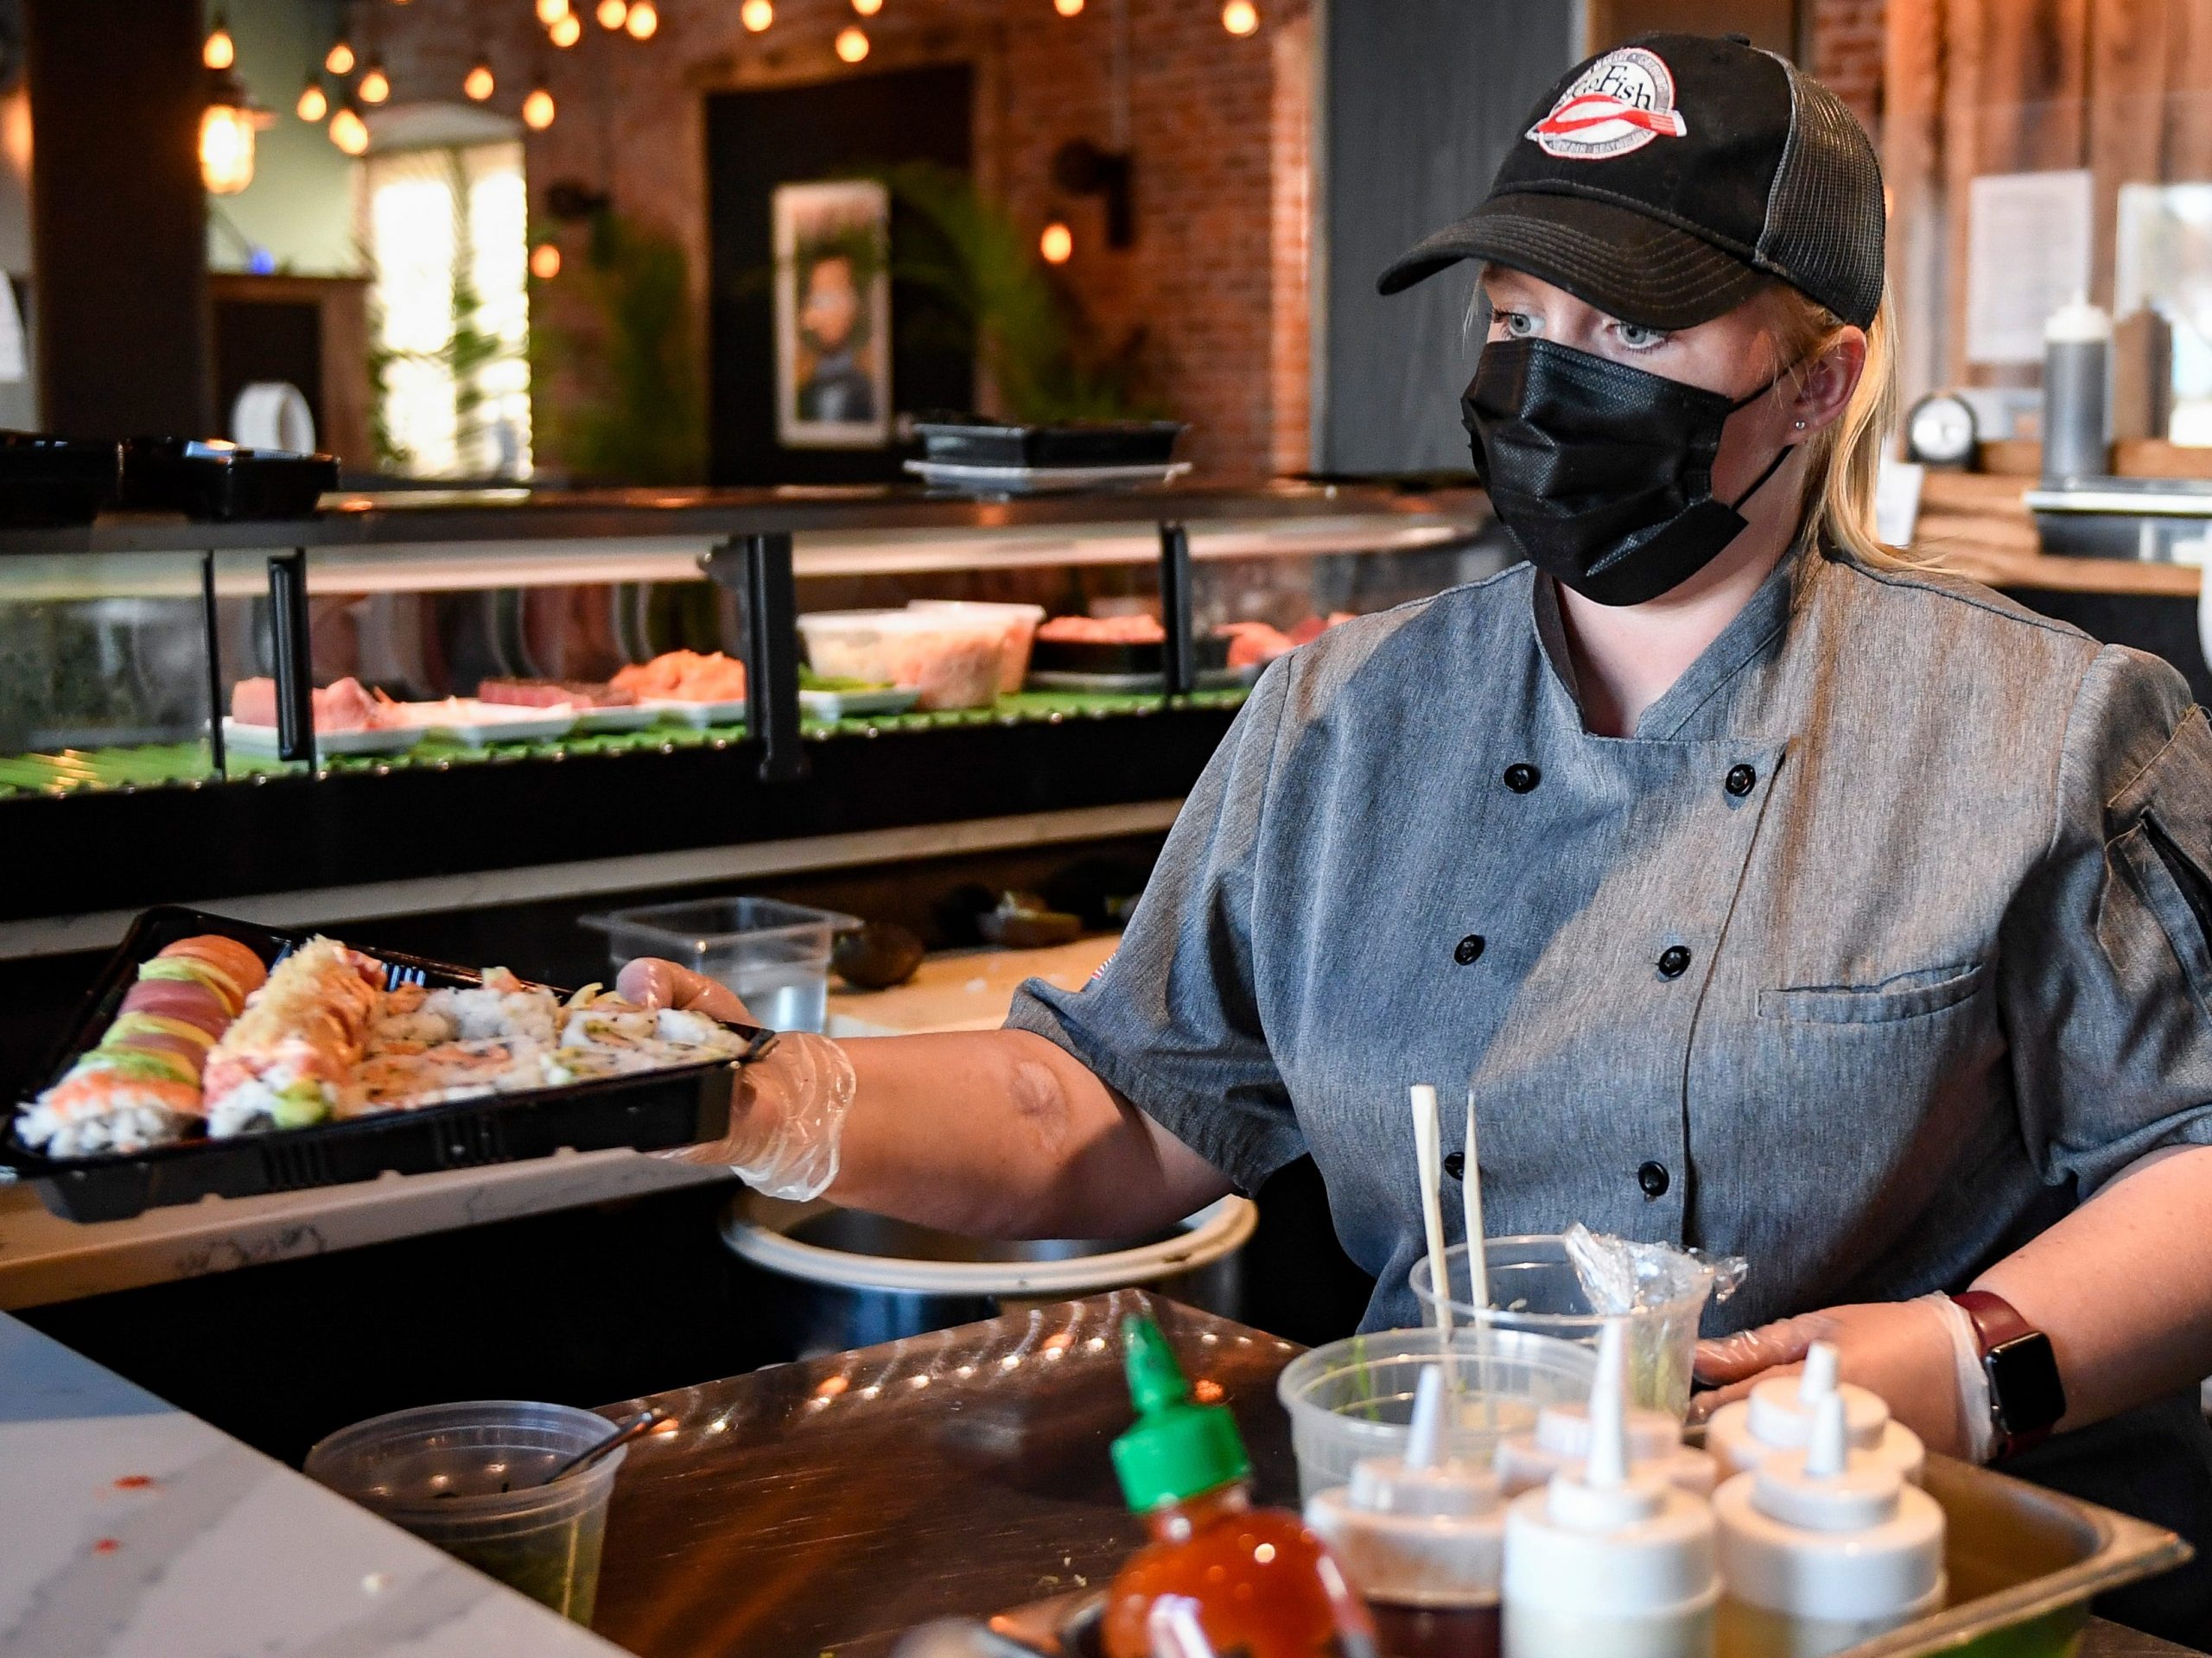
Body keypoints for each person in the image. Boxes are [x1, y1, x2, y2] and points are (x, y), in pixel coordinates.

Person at [631, 35, 2212, 1641]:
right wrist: (764, 1086)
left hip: (1892, 1583)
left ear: (1822, 379)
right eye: (1519, 316)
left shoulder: (2046, 731)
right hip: (1454, 1564)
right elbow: (1107, 1103)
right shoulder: (1343, 718)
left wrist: (1966, 1359)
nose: (1547, 372)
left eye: (1634, 323)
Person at [794, 252, 877, 425]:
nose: (831, 313)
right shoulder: (796, 379)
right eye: (822, 299)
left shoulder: (873, 373)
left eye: (840, 297)